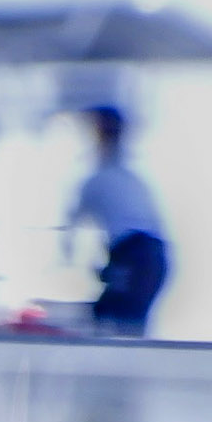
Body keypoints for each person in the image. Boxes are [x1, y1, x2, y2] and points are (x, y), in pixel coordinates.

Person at [63, 107, 169, 338]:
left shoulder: (101, 180)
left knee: (116, 319)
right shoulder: (124, 178)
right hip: (147, 257)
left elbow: (72, 226)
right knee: (114, 316)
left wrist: (67, 256)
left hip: (139, 255)